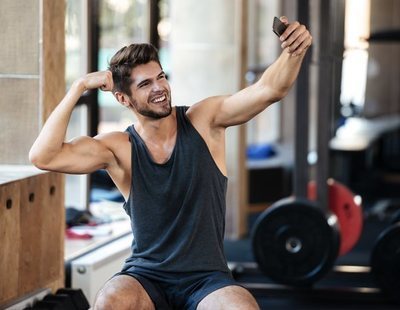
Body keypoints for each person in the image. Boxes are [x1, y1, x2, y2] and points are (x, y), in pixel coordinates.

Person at [30, 16, 312, 310]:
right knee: (110, 301)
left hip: (206, 279)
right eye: (146, 84)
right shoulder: (119, 148)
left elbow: (268, 90)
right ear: (124, 99)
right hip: (145, 277)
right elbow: (43, 156)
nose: (159, 87)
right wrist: (78, 87)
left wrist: (294, 52)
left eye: (161, 76)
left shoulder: (205, 120)